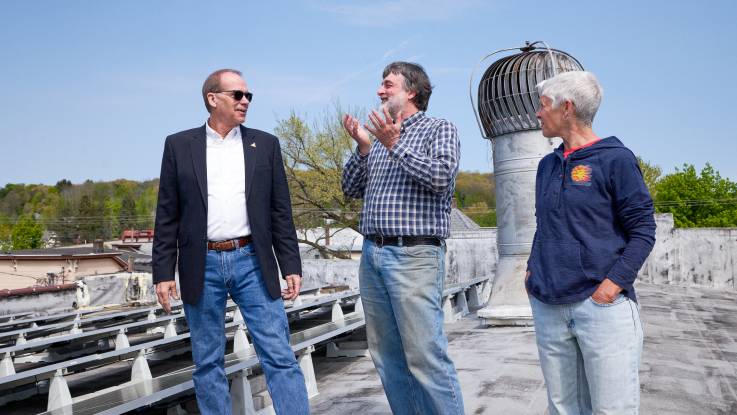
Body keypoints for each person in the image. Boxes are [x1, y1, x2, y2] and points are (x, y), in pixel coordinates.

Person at [152, 69, 309, 415]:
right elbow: (167, 214)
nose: (246, 101)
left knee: (279, 354)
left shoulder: (265, 144)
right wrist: (162, 272)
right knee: (208, 363)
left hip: (252, 260)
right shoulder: (178, 145)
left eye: (249, 96)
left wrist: (290, 264)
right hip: (201, 264)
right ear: (213, 98)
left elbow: (280, 210)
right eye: (237, 95)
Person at [526, 70, 656, 414]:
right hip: (548, 304)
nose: (538, 113)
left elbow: (643, 230)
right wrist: (531, 272)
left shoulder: (616, 159)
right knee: (562, 408)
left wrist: (611, 286)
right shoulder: (546, 166)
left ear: (566, 107)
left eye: (543, 105)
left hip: (600, 308)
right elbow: (546, 226)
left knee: (612, 409)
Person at [341, 61, 465, 415]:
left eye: (387, 85)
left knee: (425, 356)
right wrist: (365, 148)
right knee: (387, 357)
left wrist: (395, 144)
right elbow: (350, 189)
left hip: (414, 256)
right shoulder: (377, 140)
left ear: (411, 91)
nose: (380, 91)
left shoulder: (438, 128)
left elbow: (441, 178)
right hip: (373, 256)